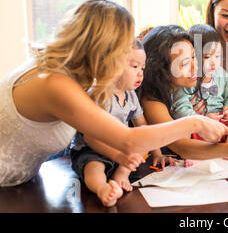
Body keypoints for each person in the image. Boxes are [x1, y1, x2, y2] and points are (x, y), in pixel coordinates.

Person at [0, 0, 228, 188]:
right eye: (123, 47)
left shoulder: (71, 74)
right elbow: (127, 139)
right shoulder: (54, 83)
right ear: (102, 47)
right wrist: (194, 122)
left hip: (23, 183)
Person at [137, 25, 228, 165]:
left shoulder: (196, 85)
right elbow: (180, 145)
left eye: (194, 57)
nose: (195, 67)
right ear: (162, 69)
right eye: (185, 63)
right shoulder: (152, 99)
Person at [70, 39, 174, 206]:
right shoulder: (100, 95)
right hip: (92, 149)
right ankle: (102, 188)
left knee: (142, 145)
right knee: (93, 166)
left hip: (121, 150)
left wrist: (157, 153)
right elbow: (90, 138)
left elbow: (144, 128)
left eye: (142, 68)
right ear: (112, 65)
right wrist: (119, 156)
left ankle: (122, 173)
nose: (140, 73)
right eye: (134, 67)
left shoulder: (131, 96)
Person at [172, 24, 228, 143]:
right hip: (198, 126)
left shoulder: (222, 75)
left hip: (222, 122)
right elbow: (180, 107)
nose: (213, 63)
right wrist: (202, 120)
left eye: (218, 56)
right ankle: (196, 154)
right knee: (184, 134)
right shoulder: (187, 78)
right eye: (207, 57)